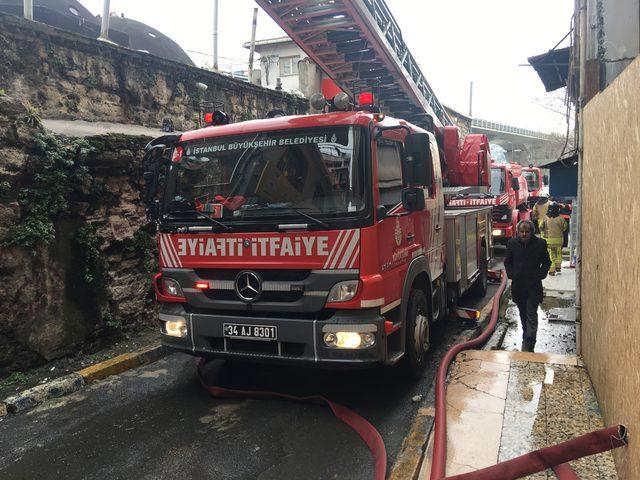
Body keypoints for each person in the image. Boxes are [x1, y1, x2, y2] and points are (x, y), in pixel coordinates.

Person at [504, 220, 552, 352]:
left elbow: (547, 262)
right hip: (519, 286)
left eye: (527, 232)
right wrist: (511, 274)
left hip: (534, 286)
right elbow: (508, 262)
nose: (524, 234)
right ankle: (526, 336)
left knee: (531, 313)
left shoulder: (540, 244)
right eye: (522, 232)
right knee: (523, 314)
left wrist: (541, 275)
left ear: (531, 232)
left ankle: (530, 342)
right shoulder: (512, 244)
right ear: (518, 232)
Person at [542, 202, 567, 275]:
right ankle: (558, 267)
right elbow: (564, 228)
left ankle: (552, 270)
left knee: (551, 255)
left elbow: (541, 227)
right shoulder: (561, 219)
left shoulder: (545, 218)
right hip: (559, 240)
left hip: (549, 241)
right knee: (558, 253)